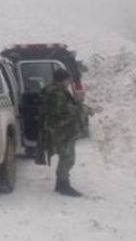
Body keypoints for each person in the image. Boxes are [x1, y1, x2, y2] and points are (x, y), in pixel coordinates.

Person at [41, 69, 92, 197]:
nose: (70, 82)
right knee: (68, 158)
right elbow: (65, 110)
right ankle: (64, 185)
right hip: (61, 130)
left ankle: (61, 184)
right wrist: (85, 108)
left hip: (58, 129)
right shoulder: (57, 93)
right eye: (68, 79)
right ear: (63, 80)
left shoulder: (52, 89)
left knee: (65, 157)